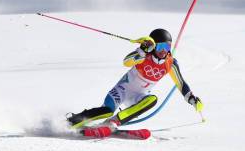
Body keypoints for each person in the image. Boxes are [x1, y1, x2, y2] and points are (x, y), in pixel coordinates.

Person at [67, 28, 203, 139]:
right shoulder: (144, 56)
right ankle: (72, 121)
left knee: (152, 99)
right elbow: (126, 62)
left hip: (138, 96)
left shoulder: (171, 63)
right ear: (153, 46)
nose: (163, 50)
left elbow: (181, 83)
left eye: (167, 46)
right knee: (107, 111)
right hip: (121, 90)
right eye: (160, 46)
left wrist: (192, 99)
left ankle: (112, 123)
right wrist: (141, 51)